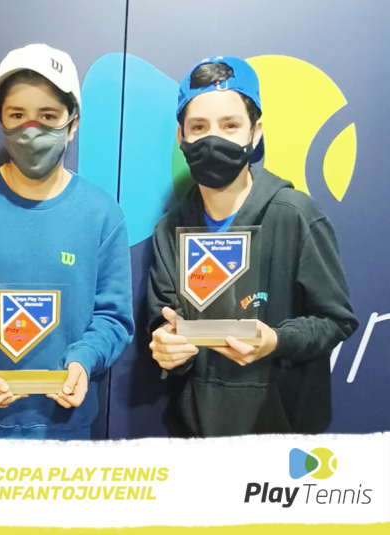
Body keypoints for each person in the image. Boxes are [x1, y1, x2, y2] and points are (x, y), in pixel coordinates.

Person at [0, 44, 134, 440]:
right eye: (17, 115)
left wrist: (84, 360)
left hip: (65, 427)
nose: (31, 130)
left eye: (48, 116)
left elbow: (113, 317)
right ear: (1, 119)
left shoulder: (102, 214)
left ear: (72, 124)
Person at [148, 55, 358, 436]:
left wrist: (277, 340)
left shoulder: (296, 216)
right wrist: (167, 348)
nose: (213, 139)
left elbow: (335, 320)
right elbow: (165, 322)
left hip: (284, 436)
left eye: (230, 125)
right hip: (197, 435)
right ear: (181, 137)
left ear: (255, 132)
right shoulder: (169, 231)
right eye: (199, 127)